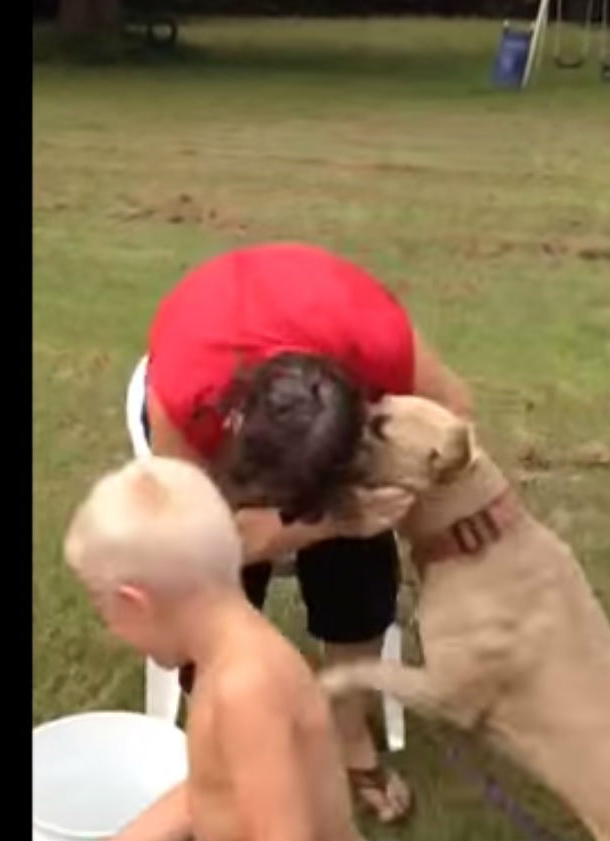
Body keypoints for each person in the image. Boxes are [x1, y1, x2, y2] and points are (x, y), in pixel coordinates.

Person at [141, 241, 474, 823]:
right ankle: (225, 744)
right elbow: (192, 546)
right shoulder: (185, 399)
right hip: (206, 432)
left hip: (322, 353)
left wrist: (408, 515)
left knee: (362, 577)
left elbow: (455, 419)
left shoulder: (378, 342)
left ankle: (347, 734)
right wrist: (319, 525)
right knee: (212, 594)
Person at [64, 457, 360, 841]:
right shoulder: (226, 657)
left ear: (136, 603)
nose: (112, 632)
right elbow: (210, 785)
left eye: (105, 611)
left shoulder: (247, 688)